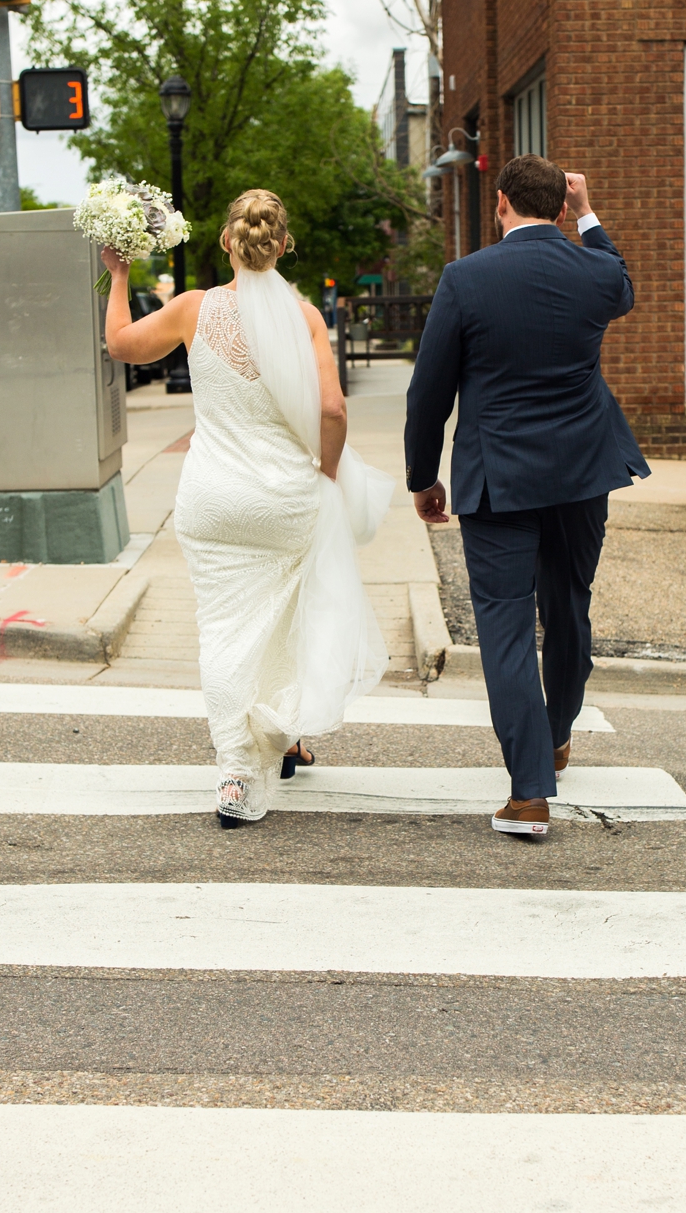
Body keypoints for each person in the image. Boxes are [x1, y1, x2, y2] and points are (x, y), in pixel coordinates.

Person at [102, 190, 392, 825]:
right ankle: (282, 727)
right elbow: (333, 411)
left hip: (213, 501)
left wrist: (120, 272)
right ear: (283, 246)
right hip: (284, 500)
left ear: (226, 243)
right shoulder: (307, 318)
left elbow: (121, 343)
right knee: (289, 622)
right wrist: (327, 468)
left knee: (225, 634)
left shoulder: (191, 310)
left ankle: (236, 772)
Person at [402, 156, 649, 840]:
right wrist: (590, 210)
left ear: (501, 201)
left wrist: (424, 477)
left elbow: (430, 393)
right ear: (563, 207)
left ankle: (531, 791)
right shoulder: (595, 271)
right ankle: (558, 735)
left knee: (507, 628)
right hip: (582, 475)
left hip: (499, 478)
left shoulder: (467, 279)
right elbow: (622, 283)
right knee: (569, 607)